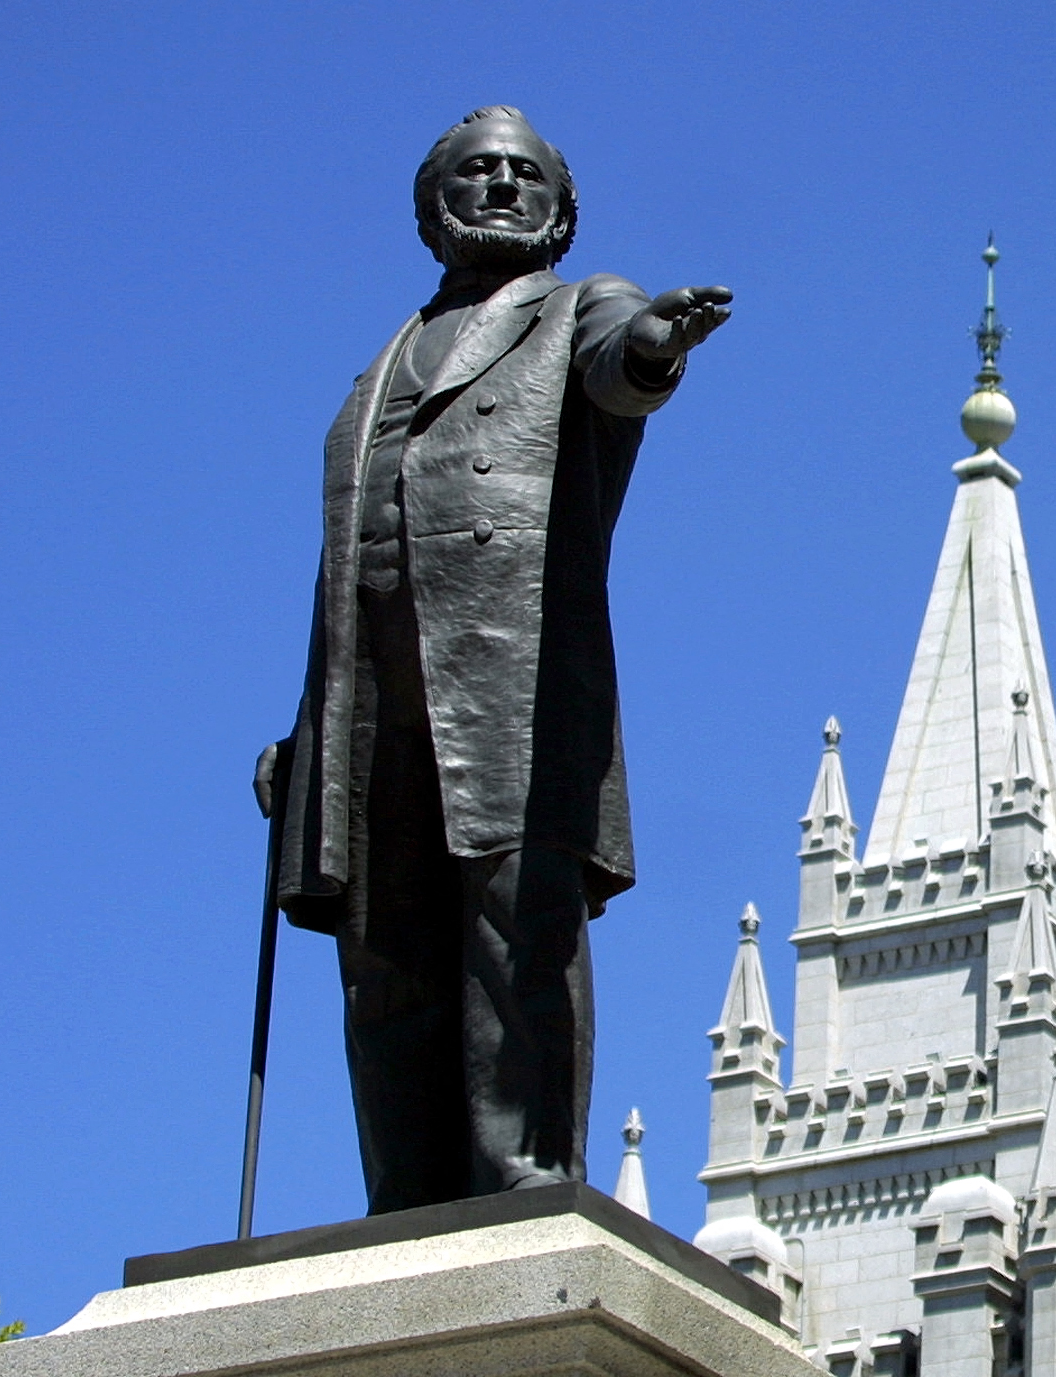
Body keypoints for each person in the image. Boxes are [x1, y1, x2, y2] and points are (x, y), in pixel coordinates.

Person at [255, 105, 731, 1213]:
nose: (503, 187)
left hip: (508, 683)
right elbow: (348, 575)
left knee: (516, 933)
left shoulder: (577, 311)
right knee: (384, 954)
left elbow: (622, 367)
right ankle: (409, 1196)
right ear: (434, 210)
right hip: (371, 700)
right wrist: (307, 733)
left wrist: (656, 344)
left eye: (526, 174)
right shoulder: (376, 370)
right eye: (476, 174)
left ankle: (523, 1180)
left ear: (561, 211)